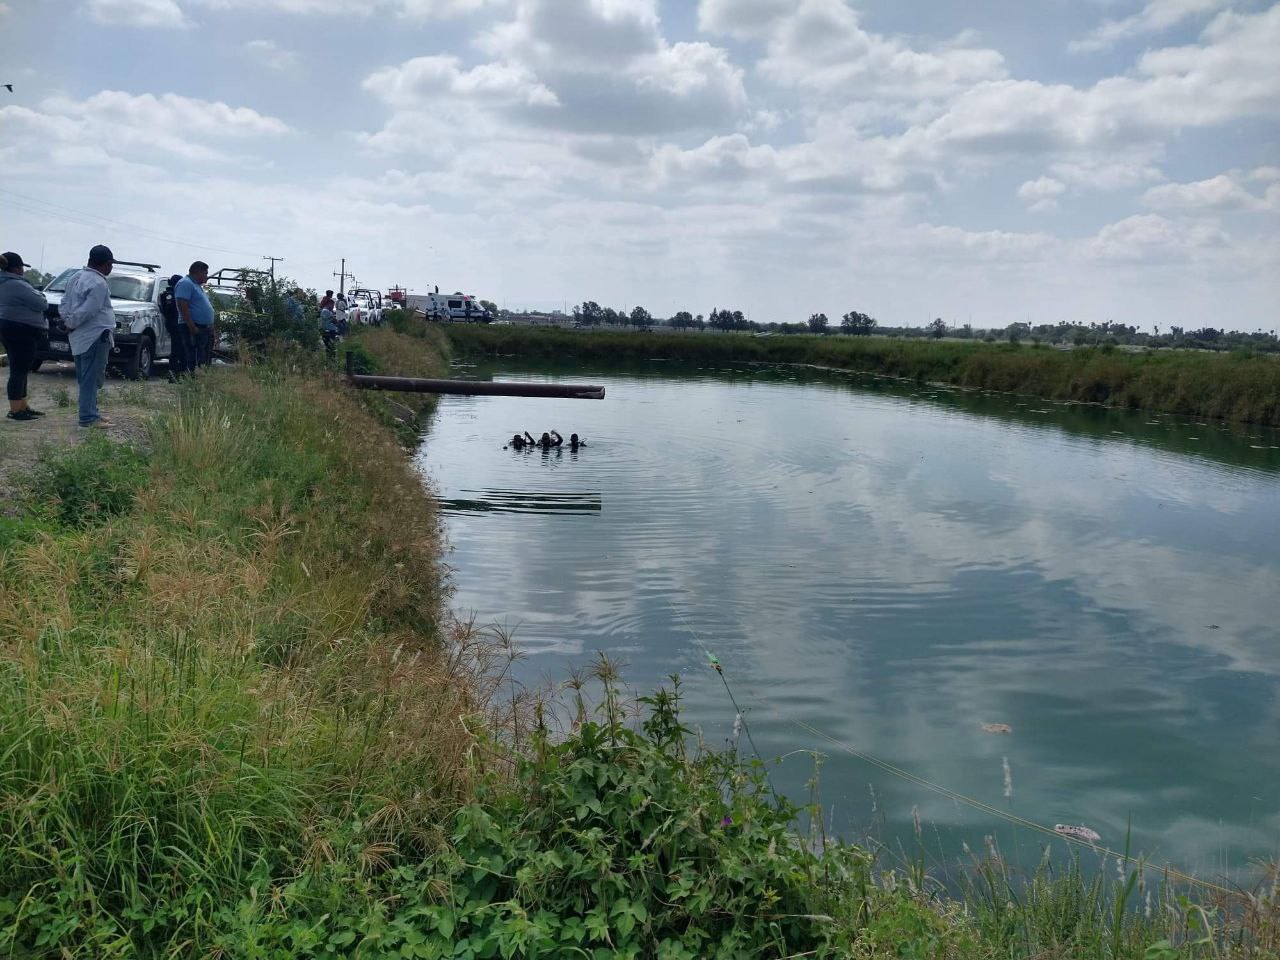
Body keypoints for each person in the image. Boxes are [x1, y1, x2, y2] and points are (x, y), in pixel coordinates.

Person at [60, 244, 117, 428]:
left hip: (79, 336)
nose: (111, 268)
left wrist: (67, 321)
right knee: (91, 379)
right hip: (94, 336)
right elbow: (88, 310)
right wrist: (70, 323)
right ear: (105, 264)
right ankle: (88, 418)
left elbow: (64, 303)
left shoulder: (75, 277)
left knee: (86, 377)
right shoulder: (99, 283)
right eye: (110, 264)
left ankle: (93, 412)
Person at [0, 251, 49, 421]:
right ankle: (16, 410)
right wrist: (40, 294)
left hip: (11, 328)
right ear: (16, 268)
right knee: (19, 370)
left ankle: (22, 405)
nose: (23, 271)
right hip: (21, 330)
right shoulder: (16, 285)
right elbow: (42, 303)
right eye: (22, 267)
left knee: (20, 369)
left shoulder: (5, 282)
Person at [175, 261, 214, 368]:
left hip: (202, 327)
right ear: (197, 272)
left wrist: (209, 324)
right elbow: (182, 305)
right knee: (193, 355)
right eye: (205, 273)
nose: (207, 276)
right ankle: (191, 377)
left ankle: (199, 377)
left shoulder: (196, 285)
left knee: (202, 356)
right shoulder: (185, 283)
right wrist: (192, 326)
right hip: (193, 326)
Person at [159, 273, 191, 380]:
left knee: (180, 350)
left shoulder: (173, 294)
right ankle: (175, 373)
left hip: (175, 325)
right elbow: (169, 311)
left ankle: (178, 373)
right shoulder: (171, 295)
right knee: (178, 351)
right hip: (176, 326)